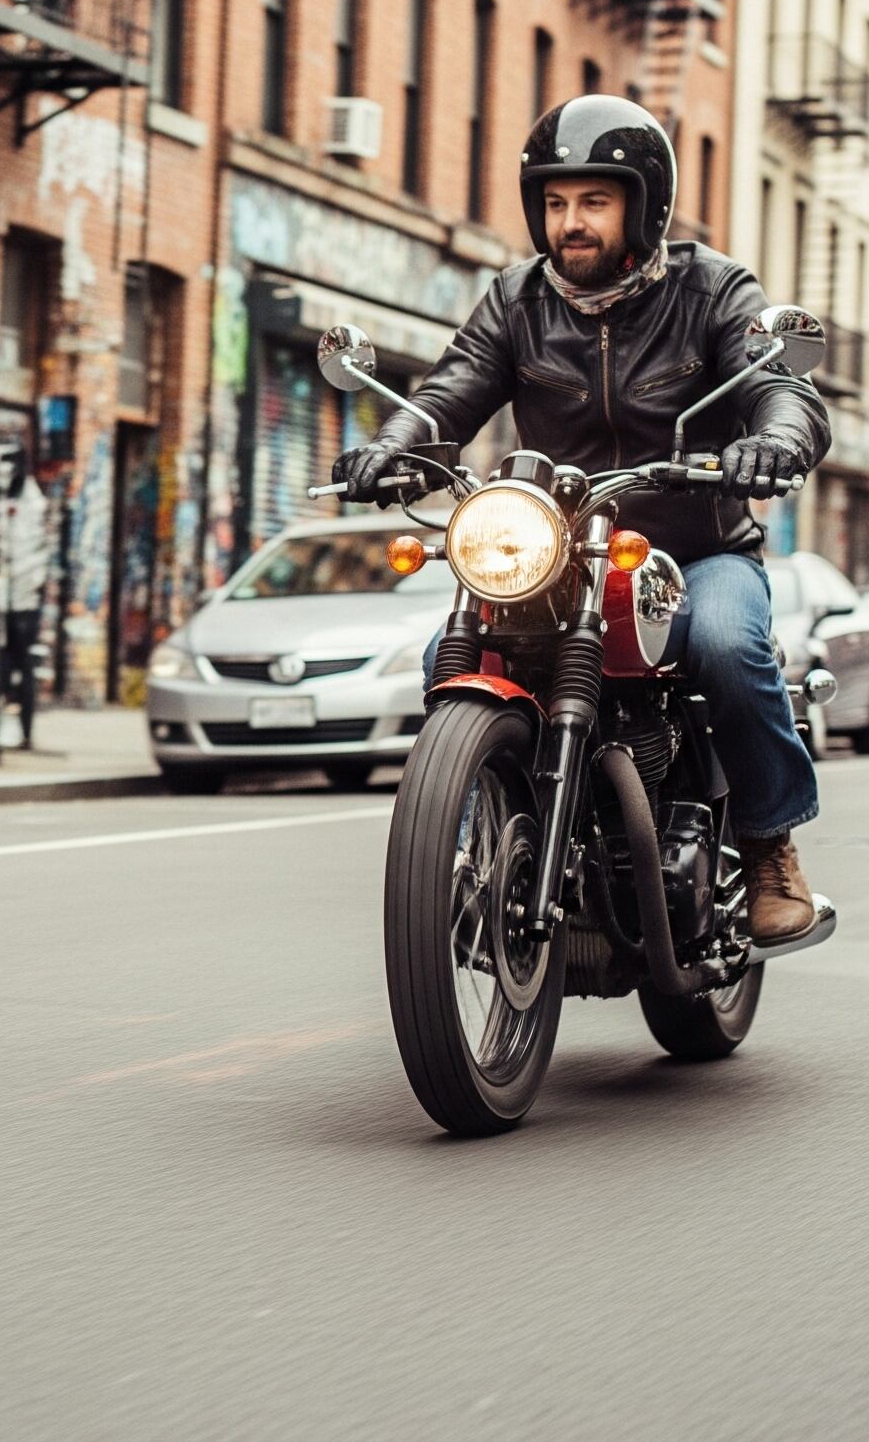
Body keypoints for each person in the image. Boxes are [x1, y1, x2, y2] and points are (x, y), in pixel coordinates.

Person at [328, 94, 828, 941]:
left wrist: (774, 439)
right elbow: (452, 389)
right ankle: (476, 841)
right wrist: (393, 443)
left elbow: (783, 389)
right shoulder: (517, 299)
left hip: (693, 551)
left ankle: (768, 844)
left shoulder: (711, 290)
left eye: (594, 201)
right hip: (555, 554)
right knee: (446, 655)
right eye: (556, 204)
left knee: (726, 647)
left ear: (644, 202)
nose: (572, 224)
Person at [0, 439, 52, 748]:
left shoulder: (33, 502)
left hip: (23, 599)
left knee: (23, 664)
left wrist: (23, 593)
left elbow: (34, 551)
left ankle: (24, 730)